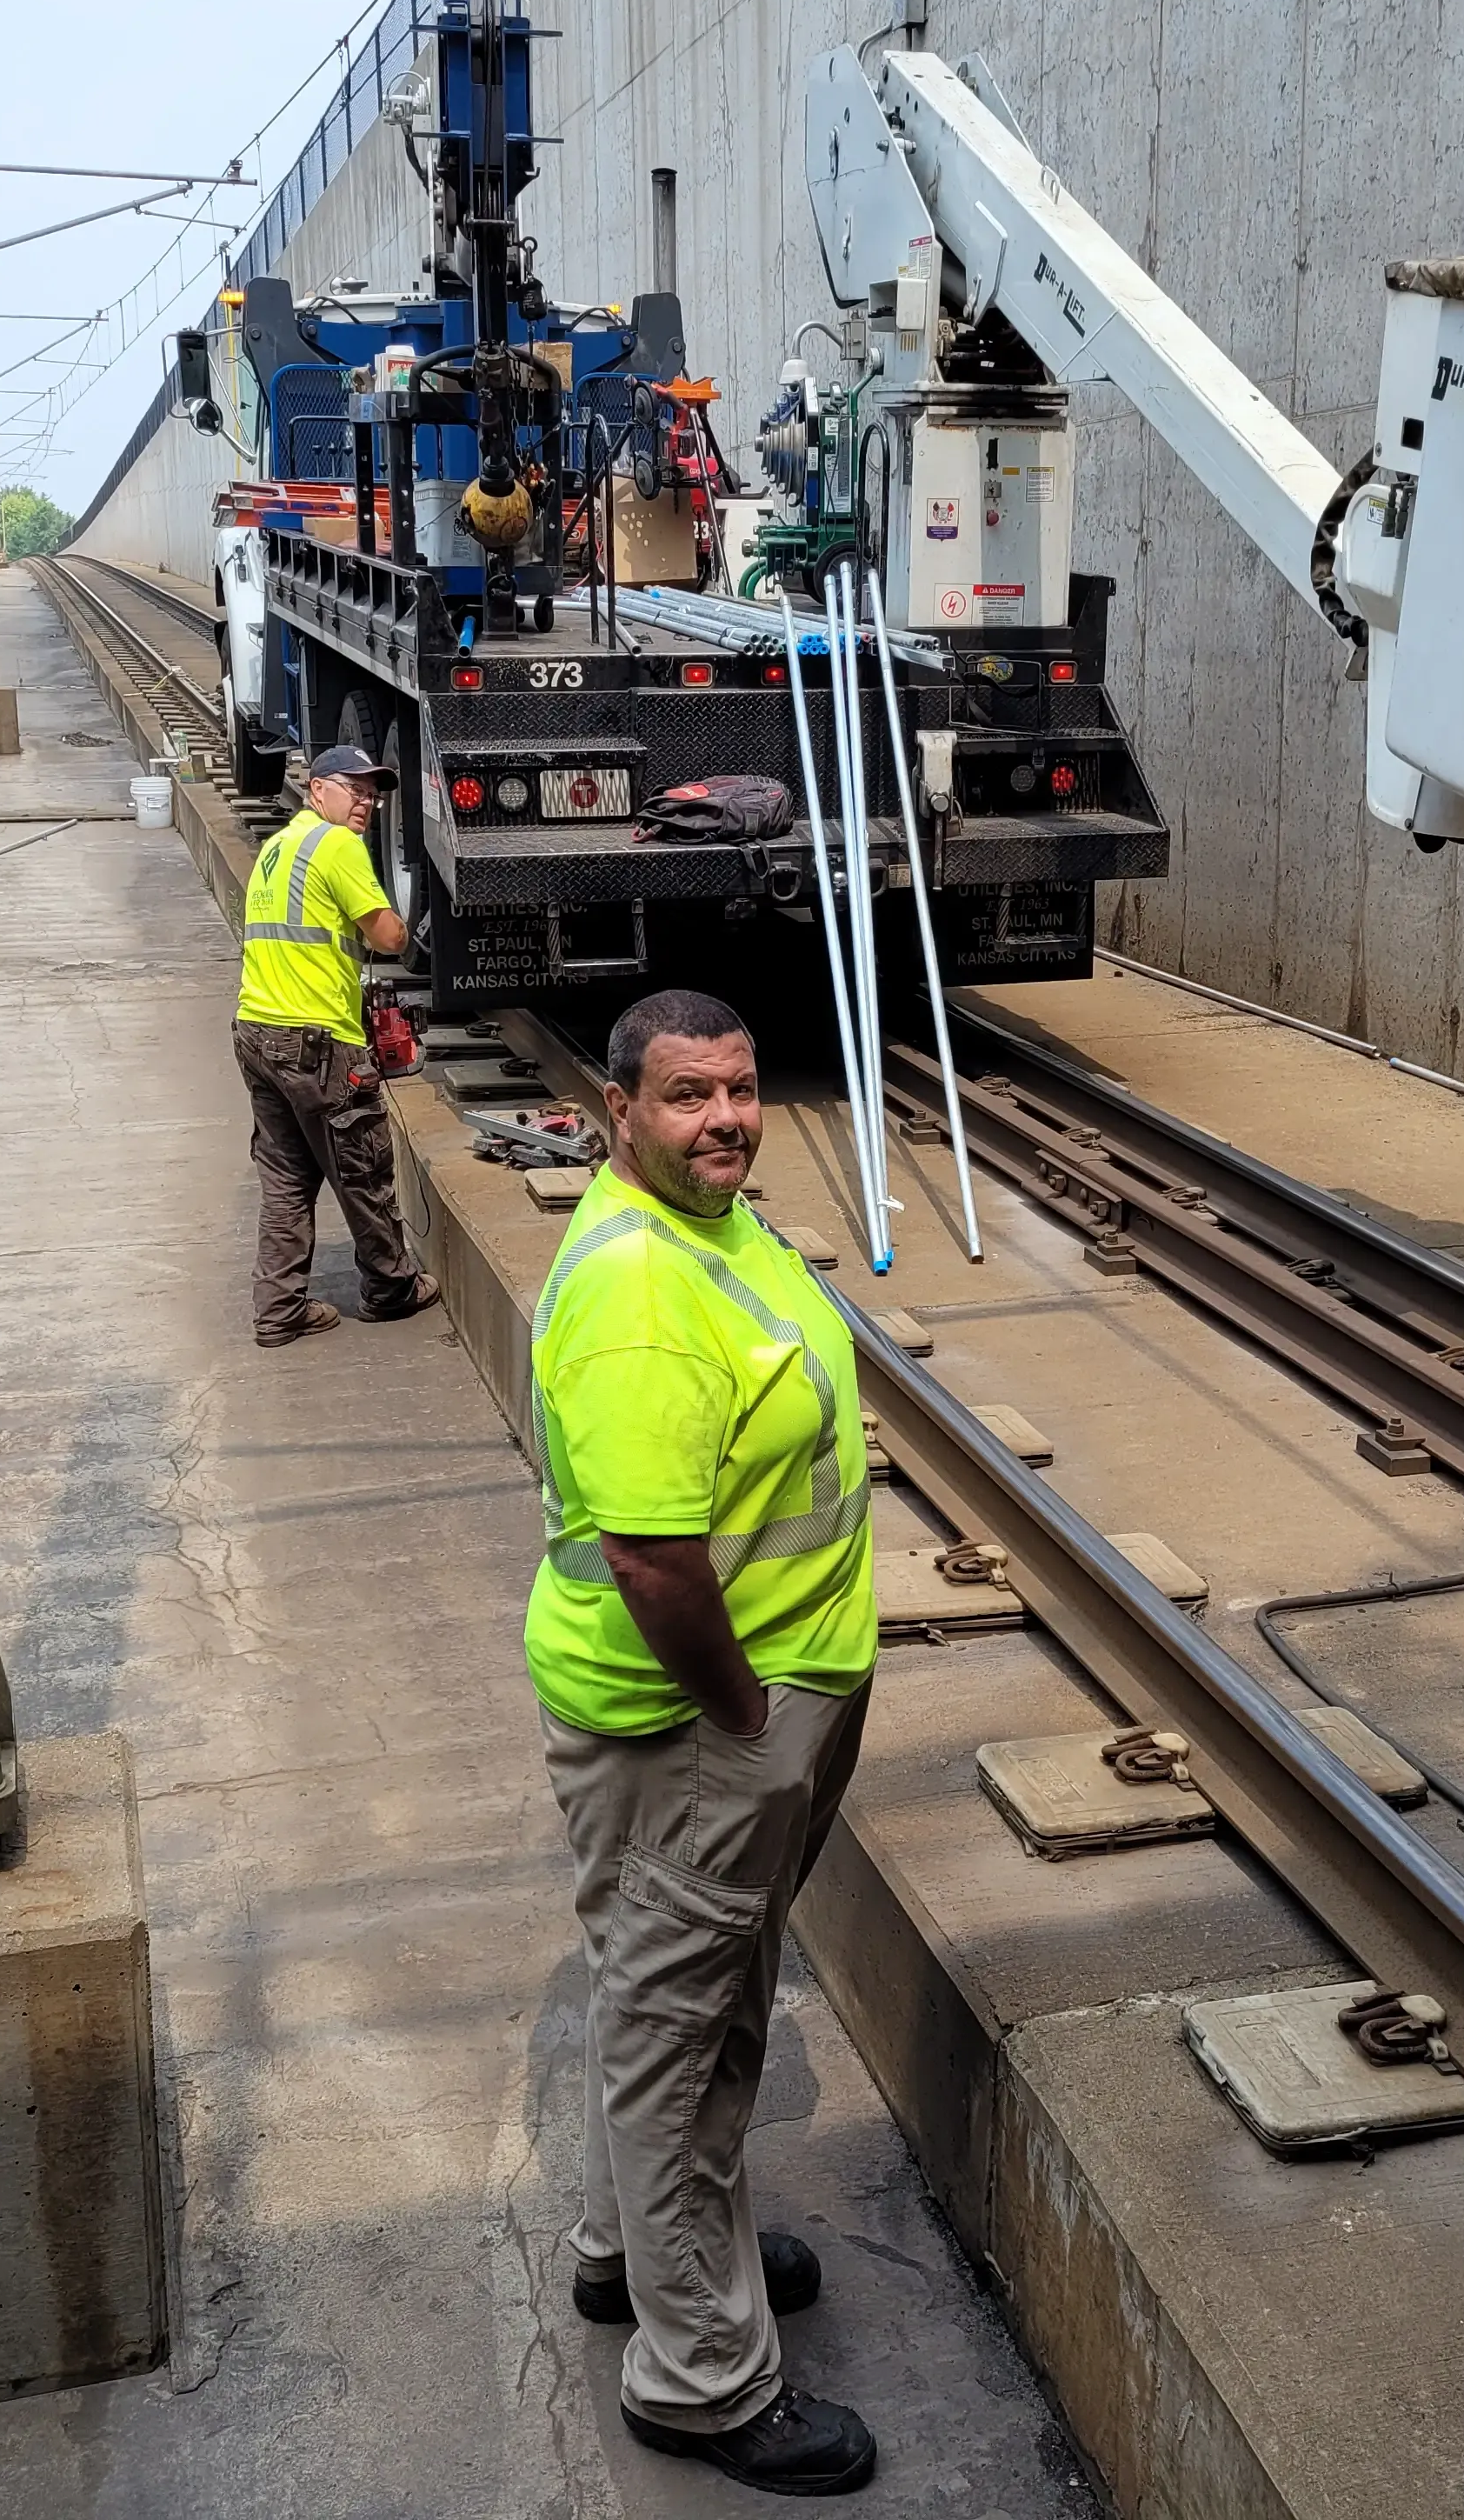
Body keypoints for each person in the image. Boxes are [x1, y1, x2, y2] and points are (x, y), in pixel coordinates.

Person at [525, 988, 880, 2497]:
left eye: (737, 1089)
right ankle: (700, 2377)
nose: (724, 1117)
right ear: (620, 1110)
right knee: (683, 2033)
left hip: (753, 1698)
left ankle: (646, 2257)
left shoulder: (710, 1229)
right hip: (693, 1717)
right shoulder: (636, 1293)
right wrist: (746, 1720)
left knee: (693, 1991)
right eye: (685, 1095)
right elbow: (658, 1560)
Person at [230, 743, 436, 1346]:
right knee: (363, 1166)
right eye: (355, 787)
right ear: (318, 788)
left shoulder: (277, 849)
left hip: (256, 1034)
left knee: (286, 1177)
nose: (367, 801)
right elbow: (392, 936)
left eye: (373, 791)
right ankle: (391, 1288)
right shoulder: (337, 845)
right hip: (317, 1043)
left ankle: (279, 1309)